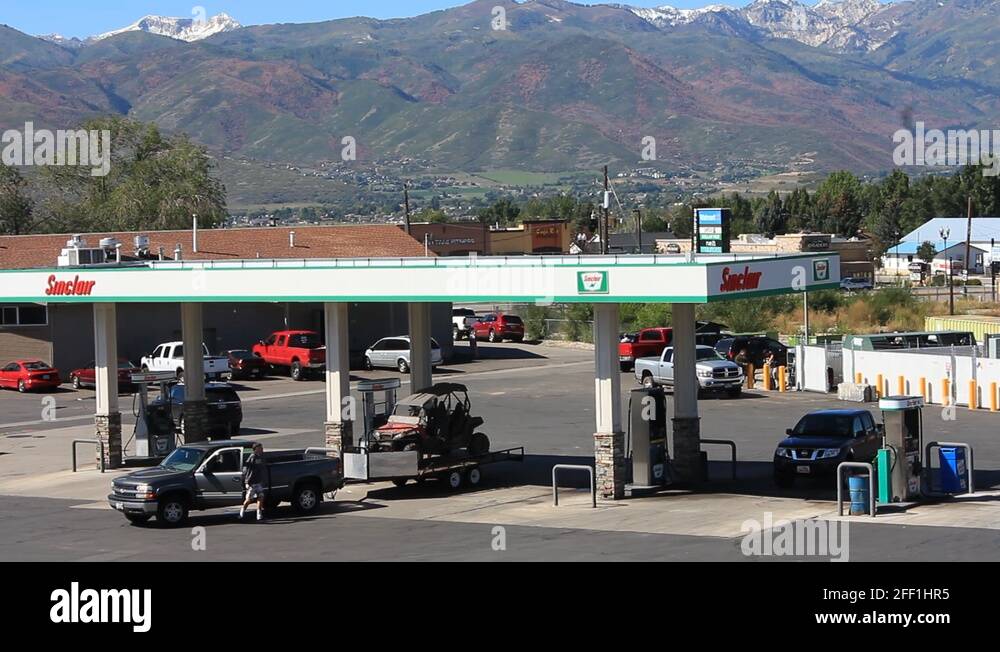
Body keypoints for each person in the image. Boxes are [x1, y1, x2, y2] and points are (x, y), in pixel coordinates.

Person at [240, 443, 269, 521]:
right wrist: (246, 482)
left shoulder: (261, 456)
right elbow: (247, 469)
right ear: (256, 449)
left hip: (259, 482)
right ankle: (242, 512)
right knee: (249, 500)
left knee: (261, 497)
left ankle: (259, 515)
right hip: (252, 483)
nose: (262, 449)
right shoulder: (252, 457)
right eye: (260, 448)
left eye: (262, 447)